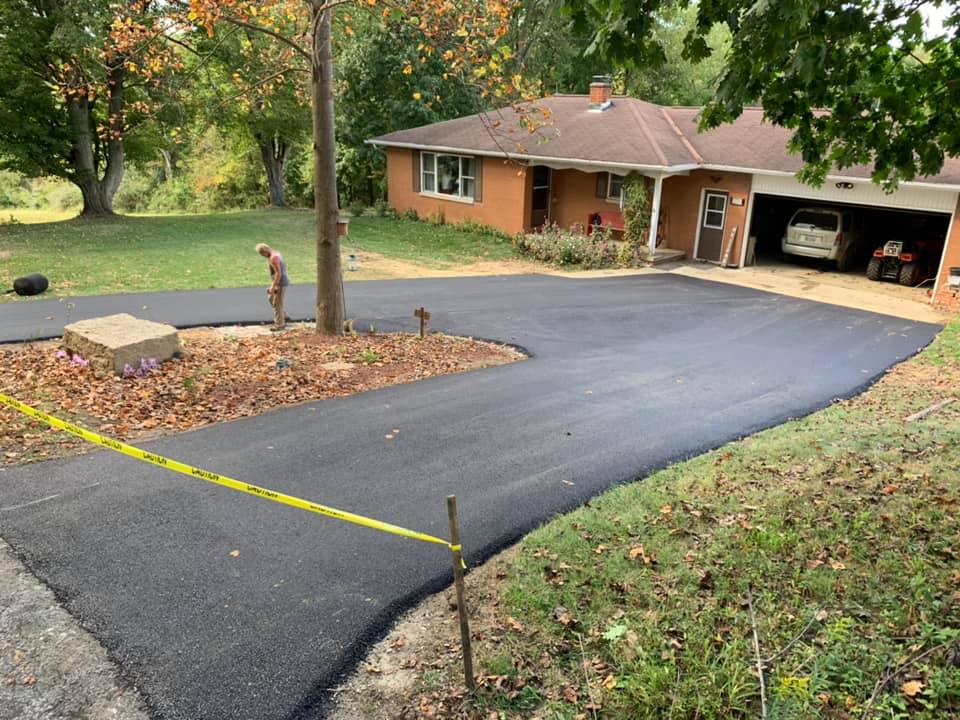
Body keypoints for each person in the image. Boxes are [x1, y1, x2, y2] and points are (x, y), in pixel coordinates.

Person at [255, 243, 290, 330]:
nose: (262, 256)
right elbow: (285, 265)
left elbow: (278, 273)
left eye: (261, 254)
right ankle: (283, 316)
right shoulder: (277, 253)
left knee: (277, 303)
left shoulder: (273, 258)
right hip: (279, 281)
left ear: (264, 252)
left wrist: (273, 287)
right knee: (271, 298)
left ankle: (280, 325)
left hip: (280, 283)